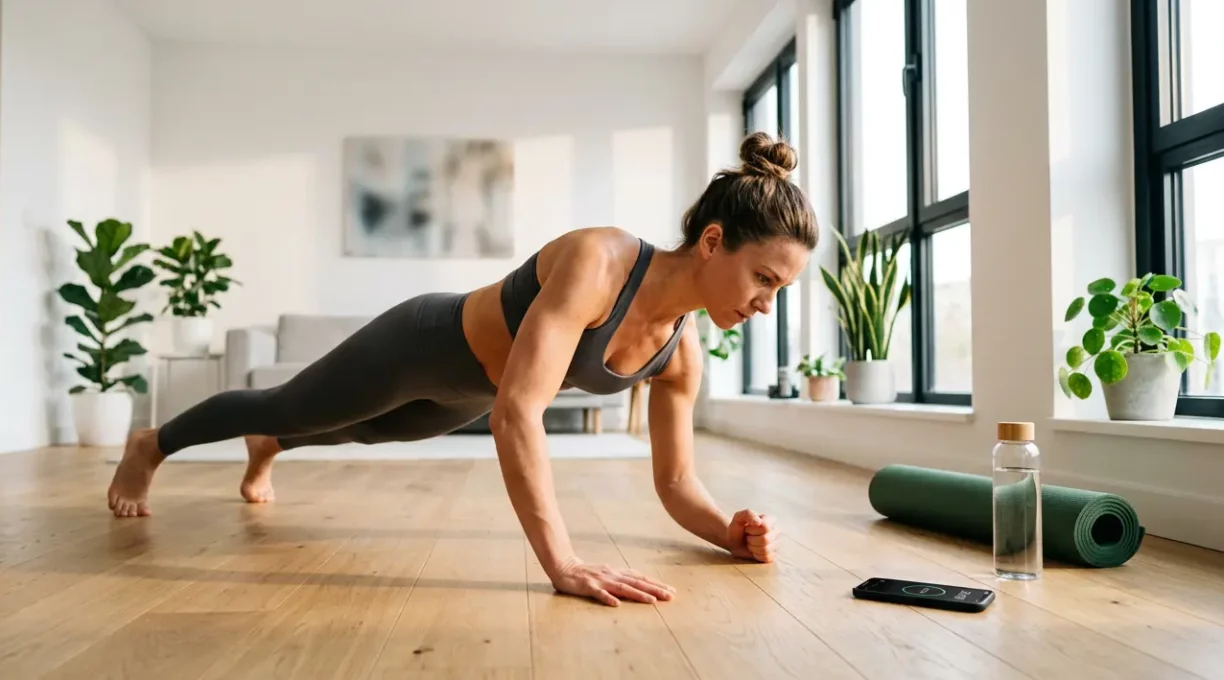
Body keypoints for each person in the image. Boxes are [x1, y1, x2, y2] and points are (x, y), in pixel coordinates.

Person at [107, 131, 818, 607]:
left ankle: (271, 451)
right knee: (292, 404)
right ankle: (153, 444)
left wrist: (727, 529)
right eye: (765, 278)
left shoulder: (681, 351)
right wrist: (562, 562)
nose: (765, 304)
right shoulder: (600, 261)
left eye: (778, 290)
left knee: (365, 433)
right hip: (423, 342)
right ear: (714, 241)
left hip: (467, 392)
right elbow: (520, 412)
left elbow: (675, 481)